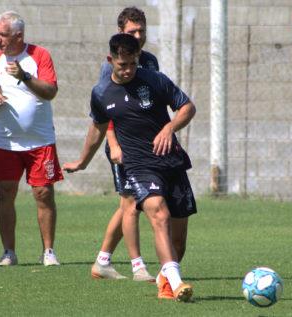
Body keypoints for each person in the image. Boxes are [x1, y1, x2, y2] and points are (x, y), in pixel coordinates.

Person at [64, 34, 196, 302]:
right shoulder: (101, 93)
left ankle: (165, 278)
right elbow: (97, 130)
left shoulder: (154, 80)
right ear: (110, 59)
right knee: (159, 215)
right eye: (122, 64)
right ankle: (177, 281)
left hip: (171, 161)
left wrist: (169, 127)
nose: (127, 70)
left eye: (132, 64)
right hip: (137, 166)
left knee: (179, 238)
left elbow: (187, 108)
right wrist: (82, 162)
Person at [0, 11, 63, 267]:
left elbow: (51, 91)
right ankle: (8, 252)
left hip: (40, 141)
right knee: (4, 195)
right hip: (6, 142)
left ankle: (48, 252)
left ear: (18, 35)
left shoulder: (39, 56)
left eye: (2, 35)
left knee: (43, 194)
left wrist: (24, 77)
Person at [91, 6, 159, 282]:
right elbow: (105, 106)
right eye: (132, 31)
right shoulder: (112, 65)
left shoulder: (151, 61)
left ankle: (103, 261)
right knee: (131, 201)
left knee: (129, 203)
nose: (139, 35)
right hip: (122, 145)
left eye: (142, 30)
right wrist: (113, 144)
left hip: (144, 144)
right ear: (121, 32)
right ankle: (137, 266)